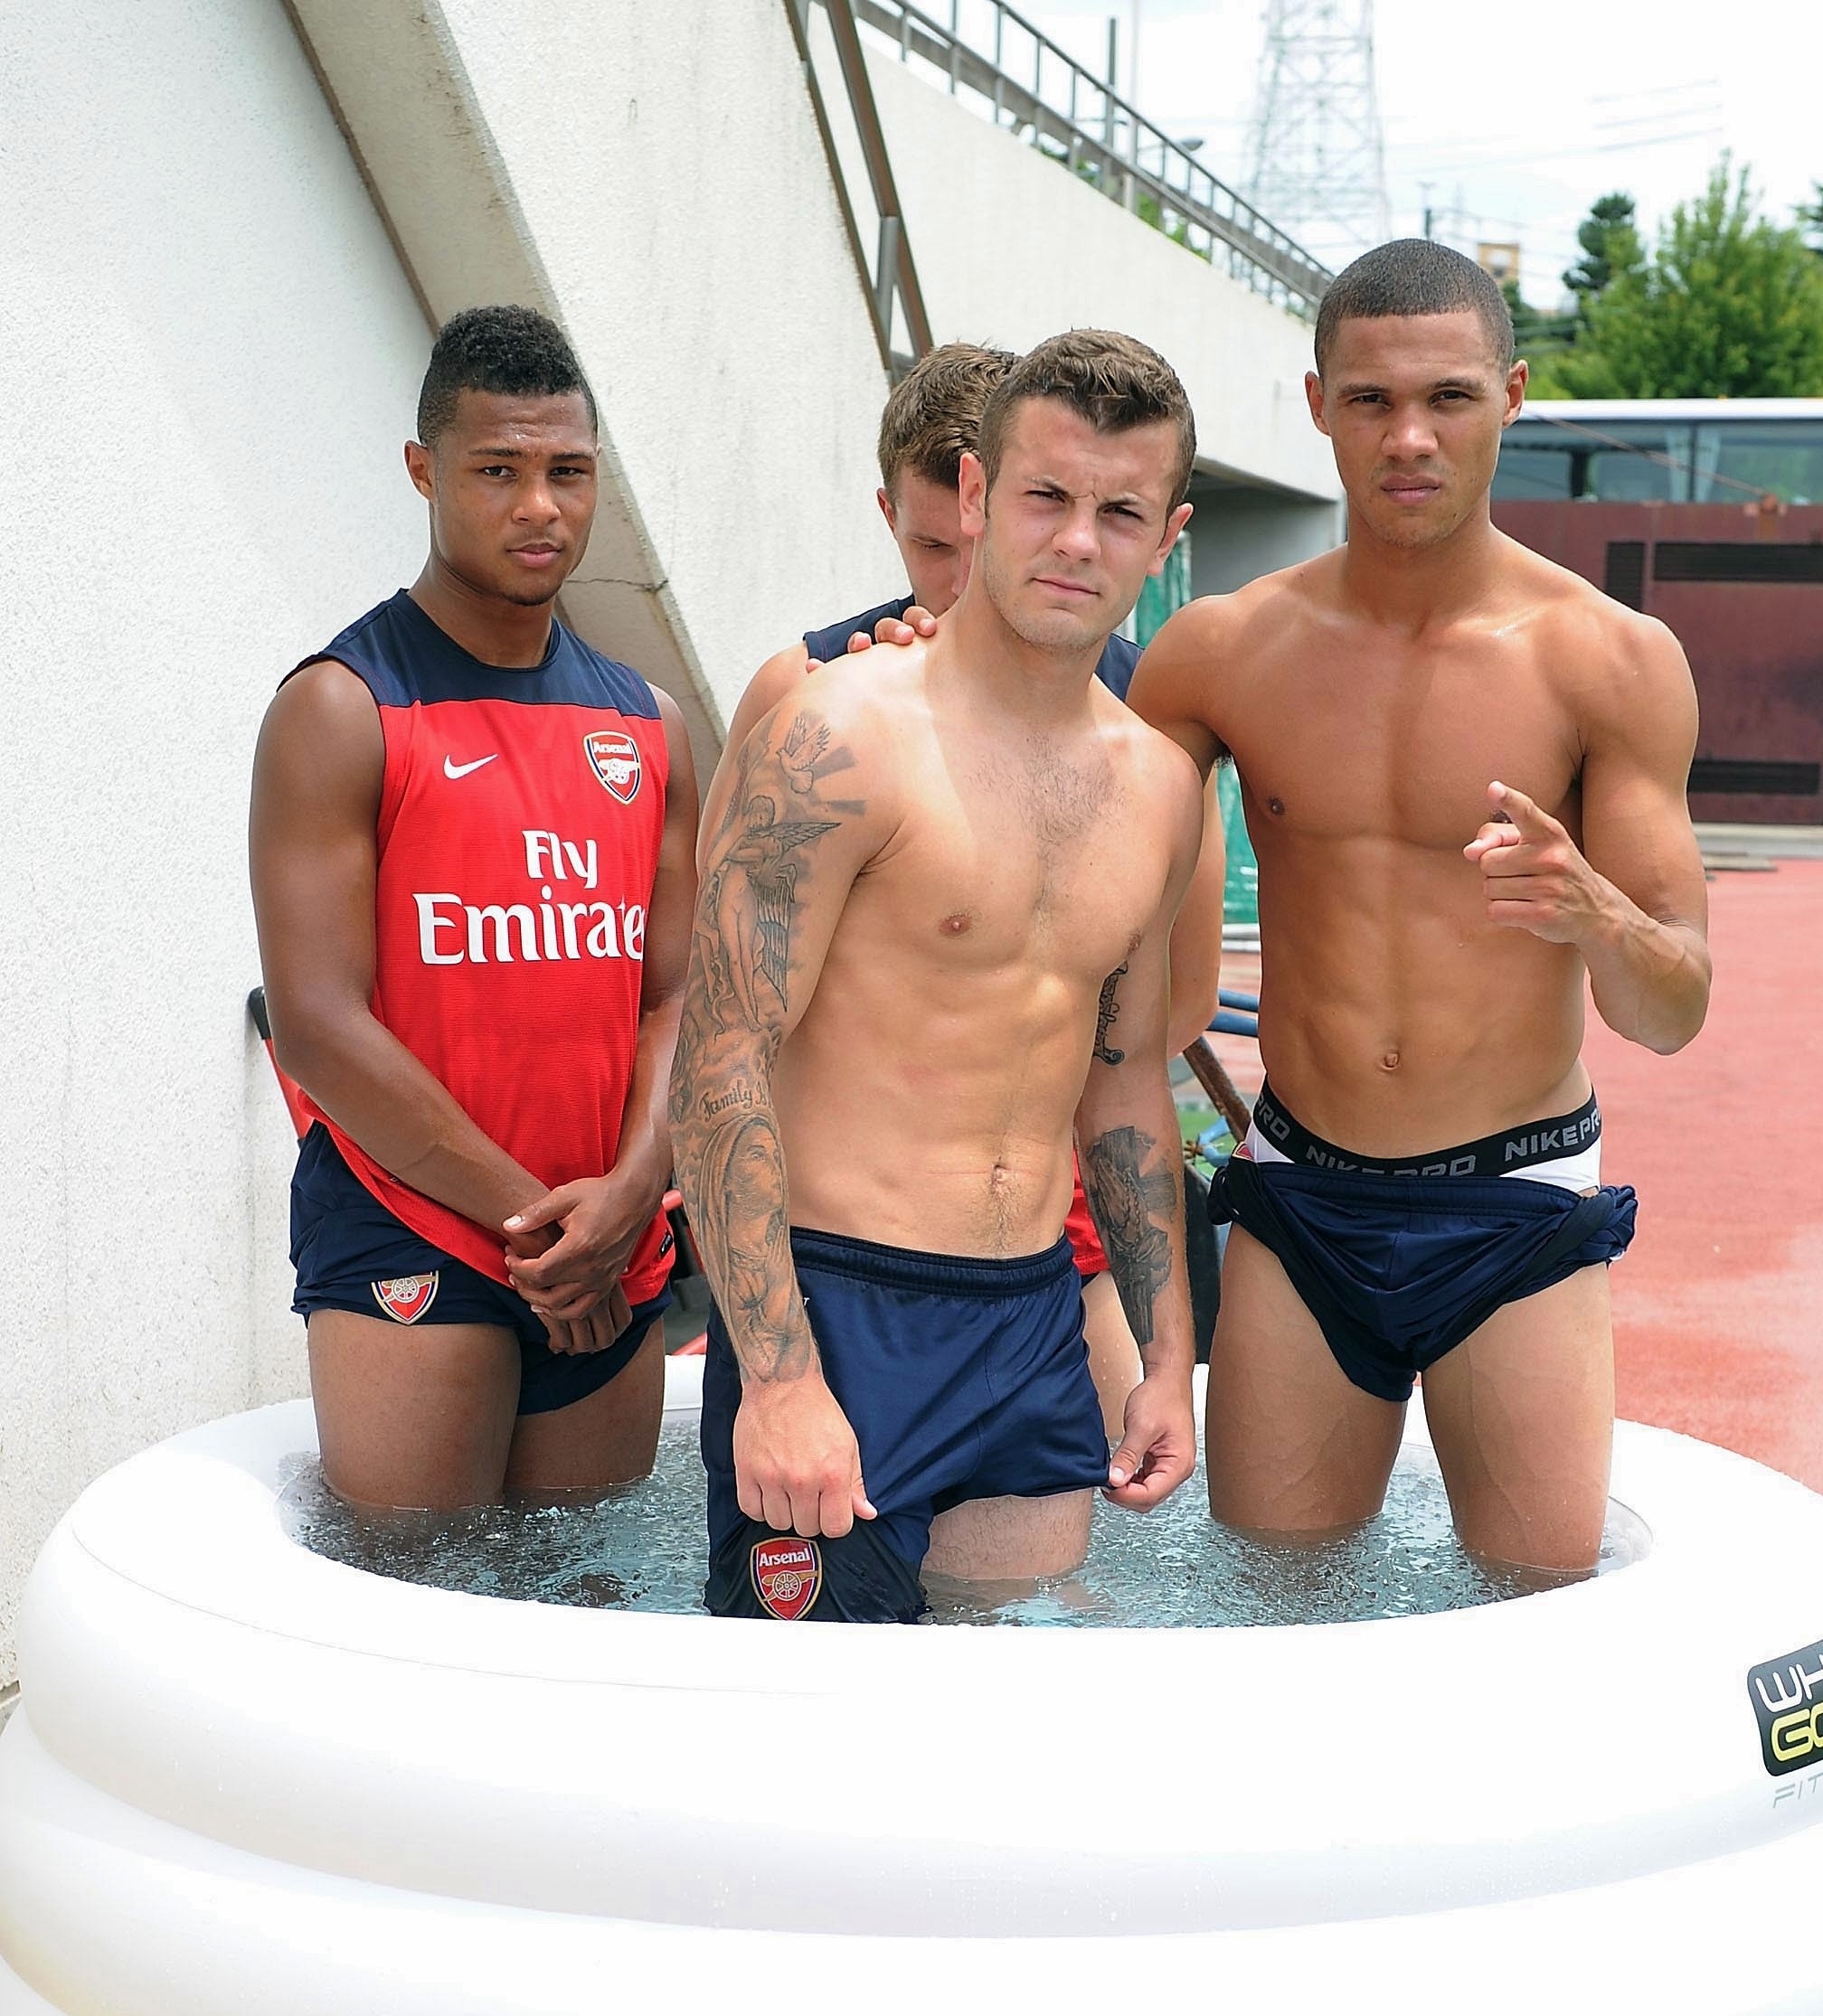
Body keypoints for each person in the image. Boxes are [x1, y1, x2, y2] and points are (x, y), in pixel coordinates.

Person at [1129, 240, 1711, 1580]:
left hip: (1514, 1205)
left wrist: (1597, 915)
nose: (1409, 438)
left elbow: (1672, 1006)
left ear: (1511, 395)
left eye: (1448, 397)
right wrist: (915, 656)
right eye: (1371, 400)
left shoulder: (1610, 660)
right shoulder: (1219, 653)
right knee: (1270, 1604)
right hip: (1302, 1195)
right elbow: (1050, 788)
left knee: (1535, 1601)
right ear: (1317, 405)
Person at [670, 331, 1204, 1623]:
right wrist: (779, 1379)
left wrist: (1165, 1360)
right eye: (1045, 496)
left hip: (1027, 1318)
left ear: (1166, 537)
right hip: (839, 1308)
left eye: (1120, 512)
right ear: (974, 495)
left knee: (1003, 1719)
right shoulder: (837, 736)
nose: (1076, 541)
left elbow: (1125, 1082)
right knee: (802, 1730)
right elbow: (720, 1059)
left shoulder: (1158, 787)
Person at [250, 305, 700, 1511]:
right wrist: (542, 1230)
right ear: (424, 470)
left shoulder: (647, 724)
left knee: (587, 1593)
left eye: (568, 473)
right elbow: (318, 1027)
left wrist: (631, 1193)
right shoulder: (340, 708)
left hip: (609, 1236)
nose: (539, 507)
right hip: (418, 1227)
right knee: (414, 1591)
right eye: (498, 471)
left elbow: (679, 998)